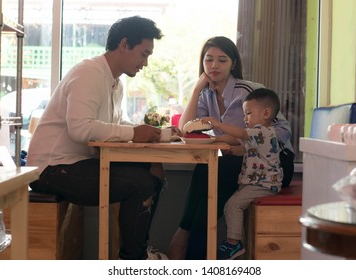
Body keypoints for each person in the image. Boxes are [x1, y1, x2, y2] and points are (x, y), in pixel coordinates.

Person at [27, 16, 170, 260]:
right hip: (52, 168)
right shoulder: (89, 73)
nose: (145, 63)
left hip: (76, 163)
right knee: (141, 183)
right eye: (144, 54)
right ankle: (133, 260)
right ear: (124, 44)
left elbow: (113, 125)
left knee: (155, 169)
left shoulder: (115, 82)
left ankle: (138, 250)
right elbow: (81, 129)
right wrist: (134, 133)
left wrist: (158, 133)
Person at [167, 36, 294, 260]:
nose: (214, 65)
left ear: (233, 63)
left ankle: (188, 249)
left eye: (222, 60)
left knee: (221, 169)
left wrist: (244, 147)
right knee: (207, 169)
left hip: (274, 164)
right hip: (241, 163)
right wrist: (197, 89)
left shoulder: (249, 91)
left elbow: (283, 131)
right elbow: (185, 129)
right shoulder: (207, 95)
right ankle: (190, 241)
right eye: (209, 60)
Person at [201, 88, 283, 260]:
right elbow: (241, 145)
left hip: (263, 184)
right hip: (255, 183)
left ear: (266, 113)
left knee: (232, 206)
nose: (245, 118)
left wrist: (217, 124)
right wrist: (213, 139)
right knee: (237, 210)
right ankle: (239, 243)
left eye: (248, 113)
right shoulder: (257, 135)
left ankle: (233, 243)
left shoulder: (263, 132)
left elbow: (241, 133)